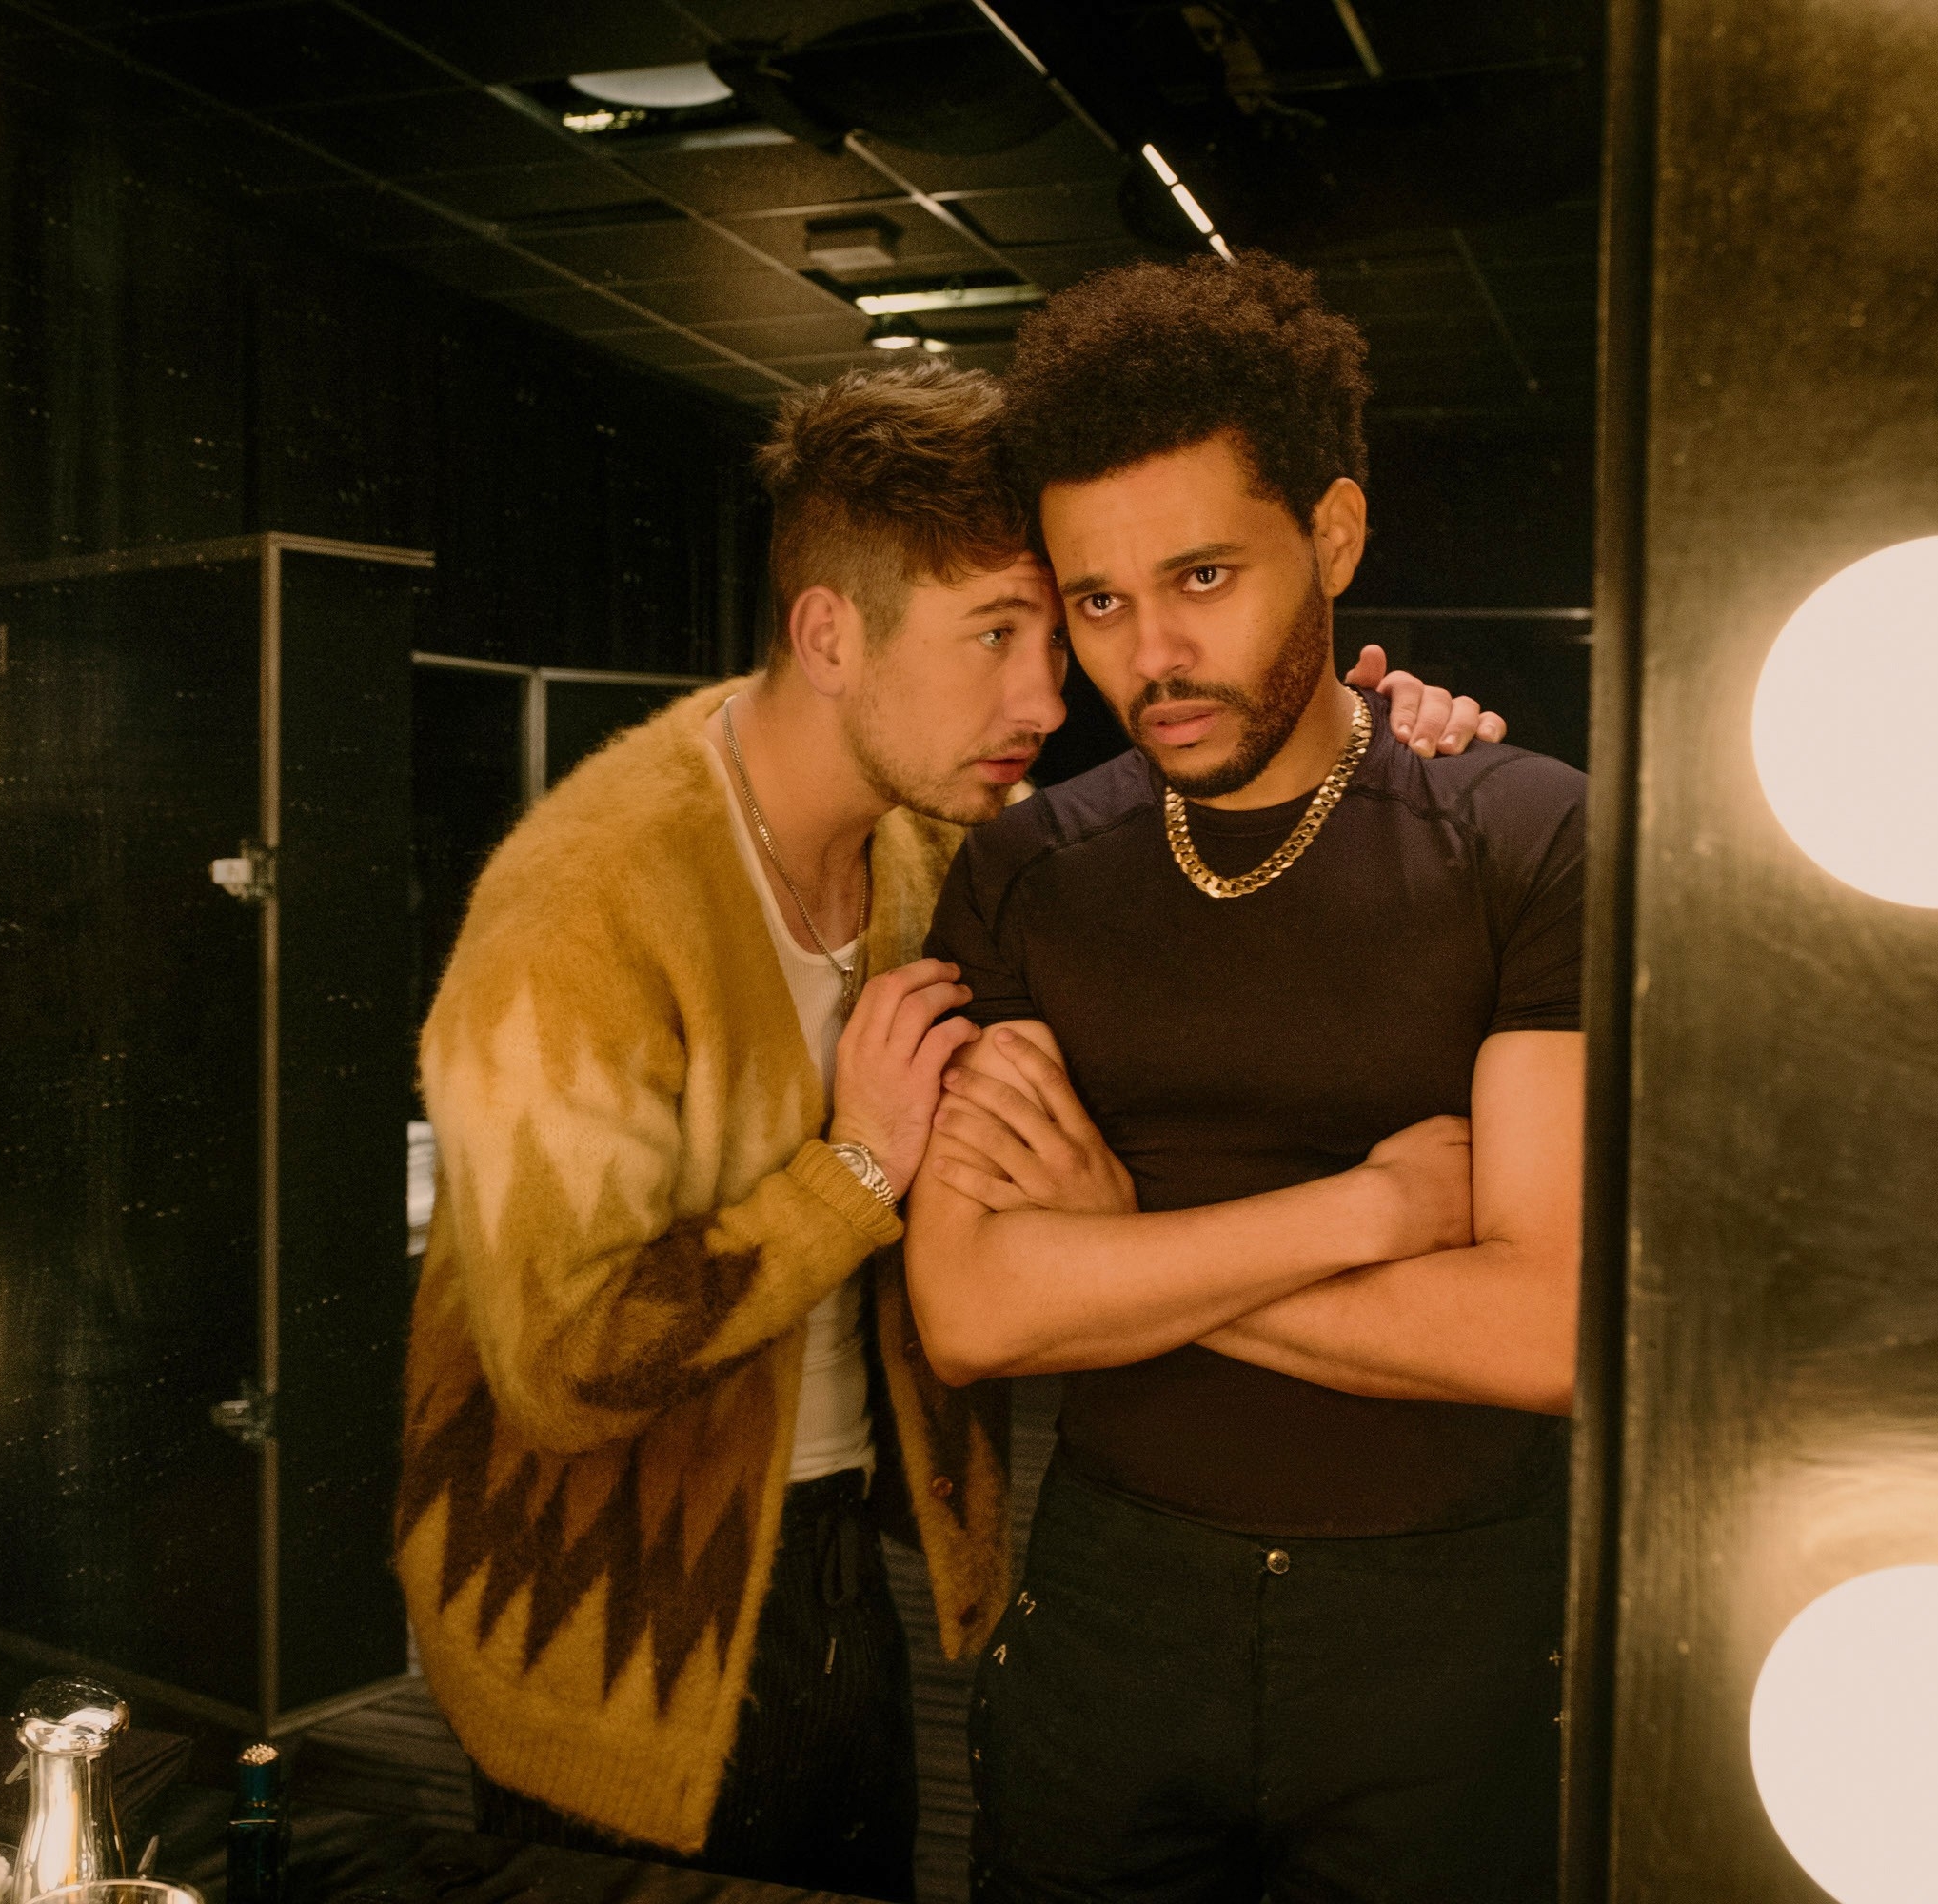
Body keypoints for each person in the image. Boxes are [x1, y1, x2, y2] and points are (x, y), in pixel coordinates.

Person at [394, 356, 1503, 1899]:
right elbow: (565, 1366)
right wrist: (855, 1170)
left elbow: (1217, 838)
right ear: (830, 632)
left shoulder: (935, 851)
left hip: (857, 1559)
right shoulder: (581, 904)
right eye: (997, 636)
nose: (1050, 704)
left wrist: (1381, 736)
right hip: (616, 1618)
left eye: (1060, 638)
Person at [907, 256, 1586, 1904]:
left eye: (1204, 574)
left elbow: (1548, 1333)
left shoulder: (1521, 836)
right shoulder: (1027, 875)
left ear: (1335, 538)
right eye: (1101, 600)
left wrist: (1124, 1238)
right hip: (1114, 1615)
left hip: (1448, 1633)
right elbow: (976, 1317)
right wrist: (1368, 1215)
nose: (1156, 654)